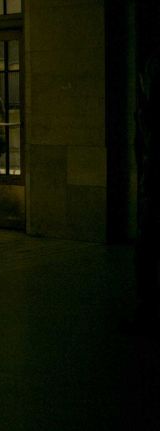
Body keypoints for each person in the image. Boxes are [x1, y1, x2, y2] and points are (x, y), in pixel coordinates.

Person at [131, 49, 160, 334]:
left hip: (153, 185)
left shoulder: (149, 113)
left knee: (147, 248)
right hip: (150, 184)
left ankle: (146, 307)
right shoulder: (147, 112)